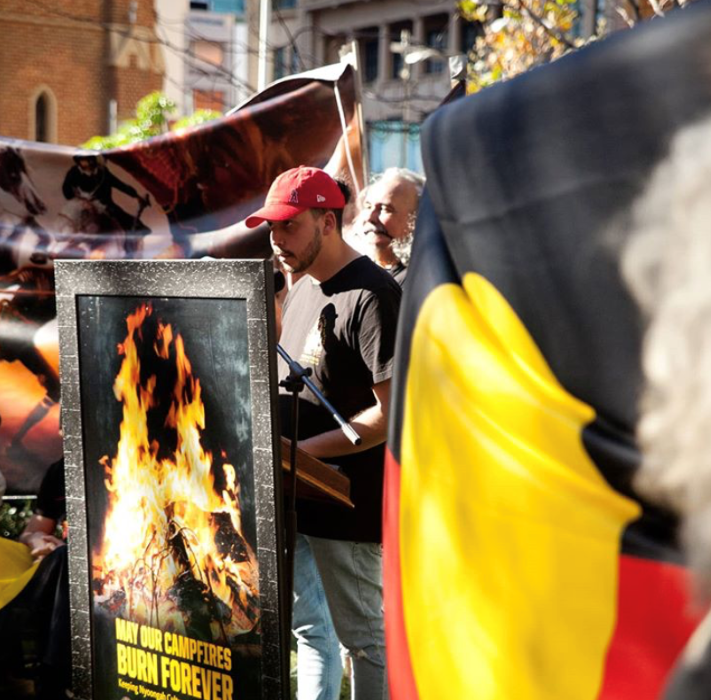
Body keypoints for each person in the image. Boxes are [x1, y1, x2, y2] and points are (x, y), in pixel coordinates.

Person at [246, 166, 401, 700]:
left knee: (363, 639)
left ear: (327, 222)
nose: (276, 240)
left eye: (289, 227)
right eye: (271, 228)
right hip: (295, 496)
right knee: (310, 633)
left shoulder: (374, 295)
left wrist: (301, 453)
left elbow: (390, 413)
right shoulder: (304, 286)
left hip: (345, 502)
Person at [0, 458, 70, 700]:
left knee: (64, 558)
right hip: (54, 566)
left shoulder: (130, 457)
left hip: (95, 567)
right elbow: (32, 532)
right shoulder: (60, 470)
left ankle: (51, 677)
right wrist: (36, 540)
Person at [350, 168, 424, 286]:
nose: (370, 218)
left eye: (385, 209)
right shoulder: (353, 272)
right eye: (368, 207)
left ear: (416, 219)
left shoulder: (420, 282)